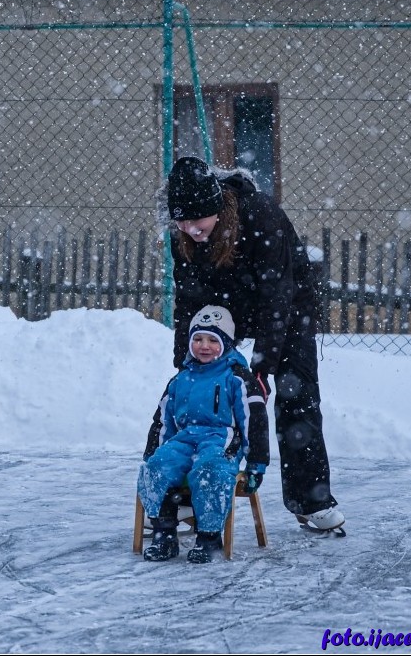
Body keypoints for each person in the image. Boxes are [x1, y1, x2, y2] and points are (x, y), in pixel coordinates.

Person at [144, 156, 345, 534]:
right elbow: (188, 300)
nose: (189, 229)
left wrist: (263, 367)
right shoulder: (183, 236)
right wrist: (185, 360)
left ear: (217, 208)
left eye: (196, 222)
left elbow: (277, 293)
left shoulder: (260, 216)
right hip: (223, 304)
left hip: (286, 305)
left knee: (296, 395)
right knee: (201, 395)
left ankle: (311, 500)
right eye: (181, 222)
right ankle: (188, 497)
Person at [138, 305, 270, 563]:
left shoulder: (237, 377)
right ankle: (164, 534)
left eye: (213, 340)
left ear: (227, 343)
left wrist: (256, 463)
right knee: (157, 467)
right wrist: (155, 453)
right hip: (186, 439)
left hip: (221, 439)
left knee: (209, 471)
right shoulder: (181, 379)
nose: (204, 346)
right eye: (197, 339)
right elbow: (163, 420)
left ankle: (208, 537)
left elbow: (254, 421)